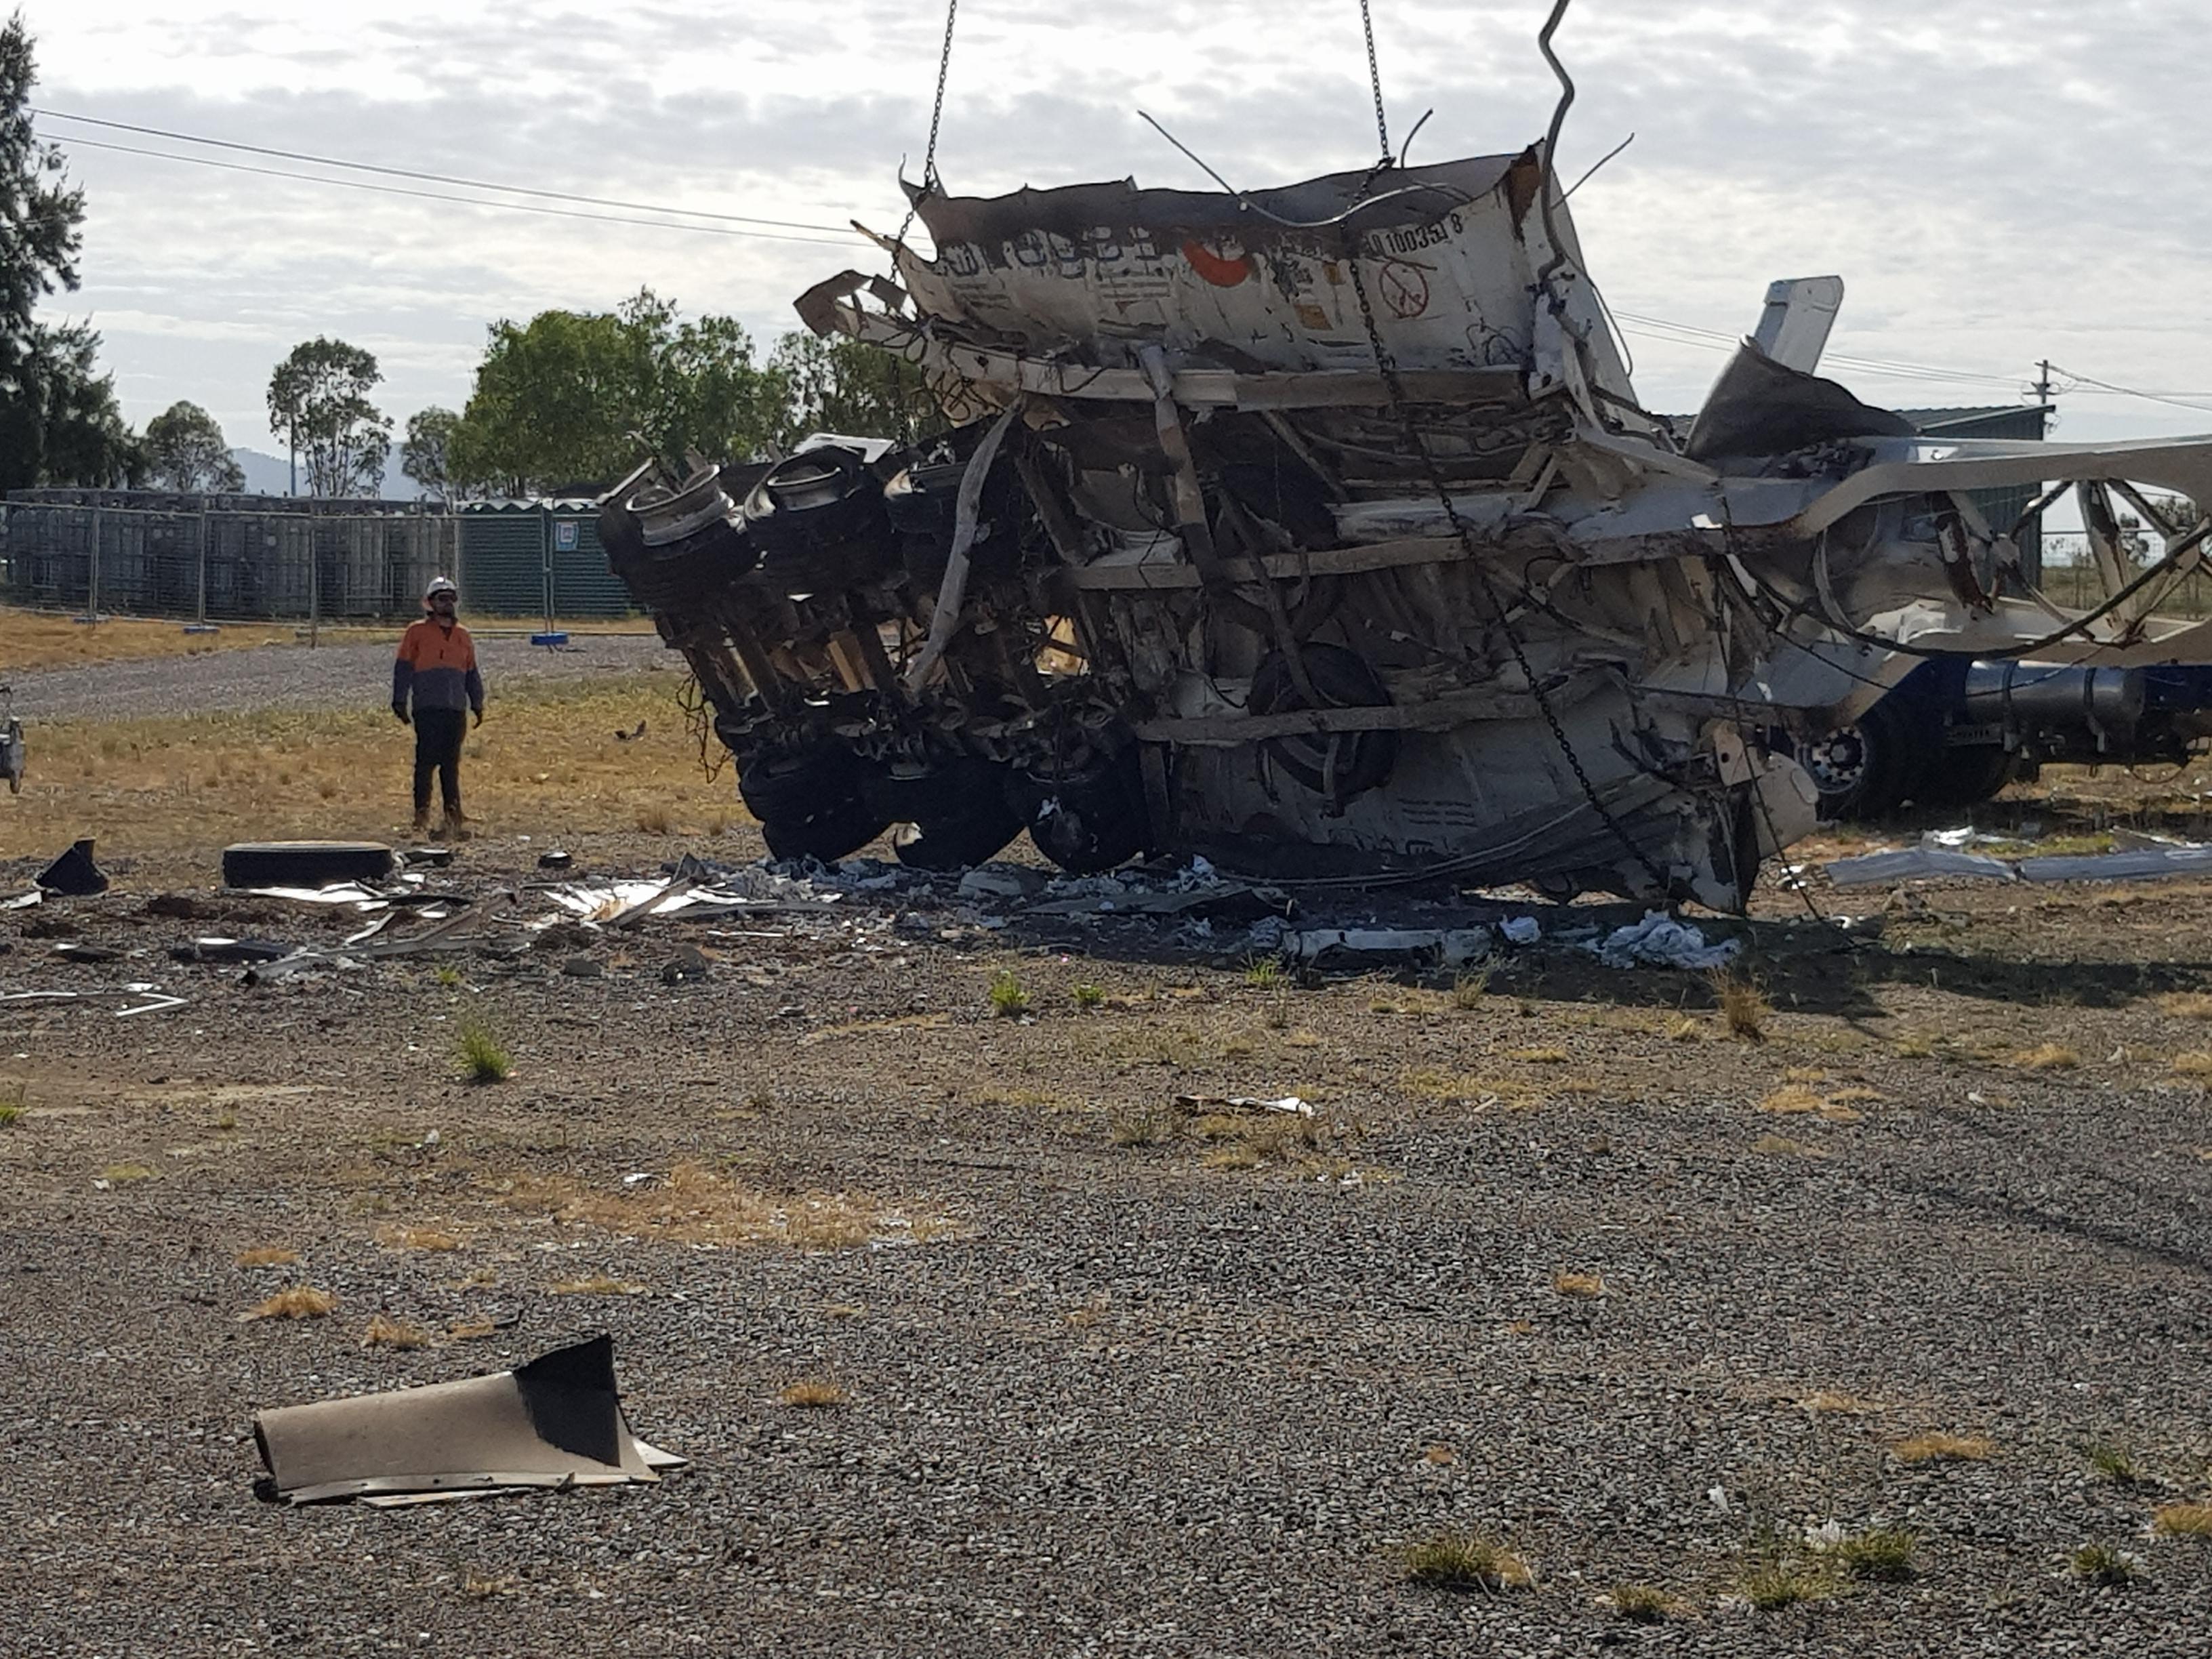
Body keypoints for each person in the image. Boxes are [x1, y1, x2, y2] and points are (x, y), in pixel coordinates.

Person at [391, 576, 484, 838]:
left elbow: (471, 673)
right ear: (430, 603)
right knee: (425, 763)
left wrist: (477, 702)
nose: (448, 603)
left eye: (451, 598)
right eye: (442, 599)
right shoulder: (416, 632)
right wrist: (399, 700)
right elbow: (403, 668)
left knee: (451, 763)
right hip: (428, 707)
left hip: (455, 708)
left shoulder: (463, 636)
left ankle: (453, 814)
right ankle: (421, 815)